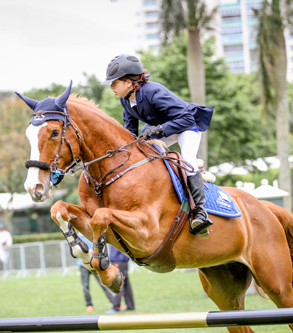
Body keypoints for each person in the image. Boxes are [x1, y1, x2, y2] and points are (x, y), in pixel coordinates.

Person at [102, 54, 215, 237]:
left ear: (129, 82)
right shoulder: (125, 100)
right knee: (142, 151)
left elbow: (186, 118)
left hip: (186, 127)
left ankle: (200, 212)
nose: (112, 87)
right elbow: (130, 132)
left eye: (114, 82)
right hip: (162, 130)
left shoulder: (153, 91)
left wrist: (159, 130)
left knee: (187, 160)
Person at [76, 233, 115, 313]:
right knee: (85, 286)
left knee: (103, 284)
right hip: (83, 265)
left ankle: (115, 304)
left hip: (95, 264)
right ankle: (89, 305)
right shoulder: (78, 236)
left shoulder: (92, 234)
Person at [105, 245, 135, 314]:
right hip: (122, 260)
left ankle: (116, 307)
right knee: (126, 283)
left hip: (118, 260)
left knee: (118, 283)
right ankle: (130, 306)